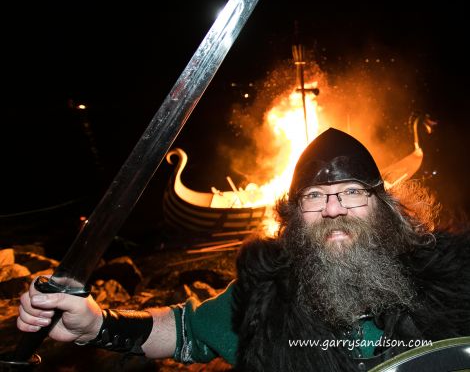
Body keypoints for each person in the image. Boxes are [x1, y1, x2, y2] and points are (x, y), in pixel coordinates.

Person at [17, 128, 470, 371]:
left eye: (352, 192)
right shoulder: (264, 296)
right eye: (313, 196)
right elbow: (186, 332)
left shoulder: (454, 274)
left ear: (382, 206)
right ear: (294, 215)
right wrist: (96, 325)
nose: (333, 208)